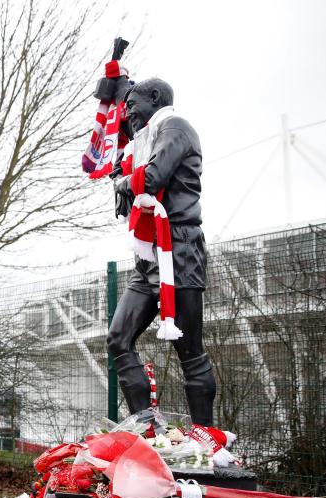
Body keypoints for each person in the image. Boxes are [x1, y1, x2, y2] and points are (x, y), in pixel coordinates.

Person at [108, 78, 217, 427]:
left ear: (154, 98)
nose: (128, 115)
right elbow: (128, 136)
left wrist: (124, 183)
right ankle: (146, 427)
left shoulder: (175, 127)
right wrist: (116, 89)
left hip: (180, 248)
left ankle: (206, 439)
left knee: (190, 353)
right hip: (149, 256)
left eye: (132, 105)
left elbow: (152, 177)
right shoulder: (147, 137)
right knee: (118, 339)